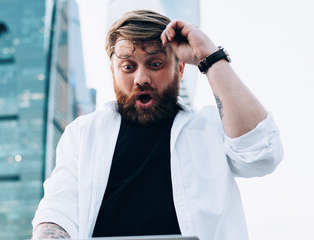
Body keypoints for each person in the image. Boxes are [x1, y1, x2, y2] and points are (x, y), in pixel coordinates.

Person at [32, 10, 283, 240]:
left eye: (155, 64)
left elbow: (262, 154)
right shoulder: (84, 133)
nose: (141, 79)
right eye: (128, 67)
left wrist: (210, 56)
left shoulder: (211, 127)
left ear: (180, 69)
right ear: (113, 72)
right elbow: (58, 210)